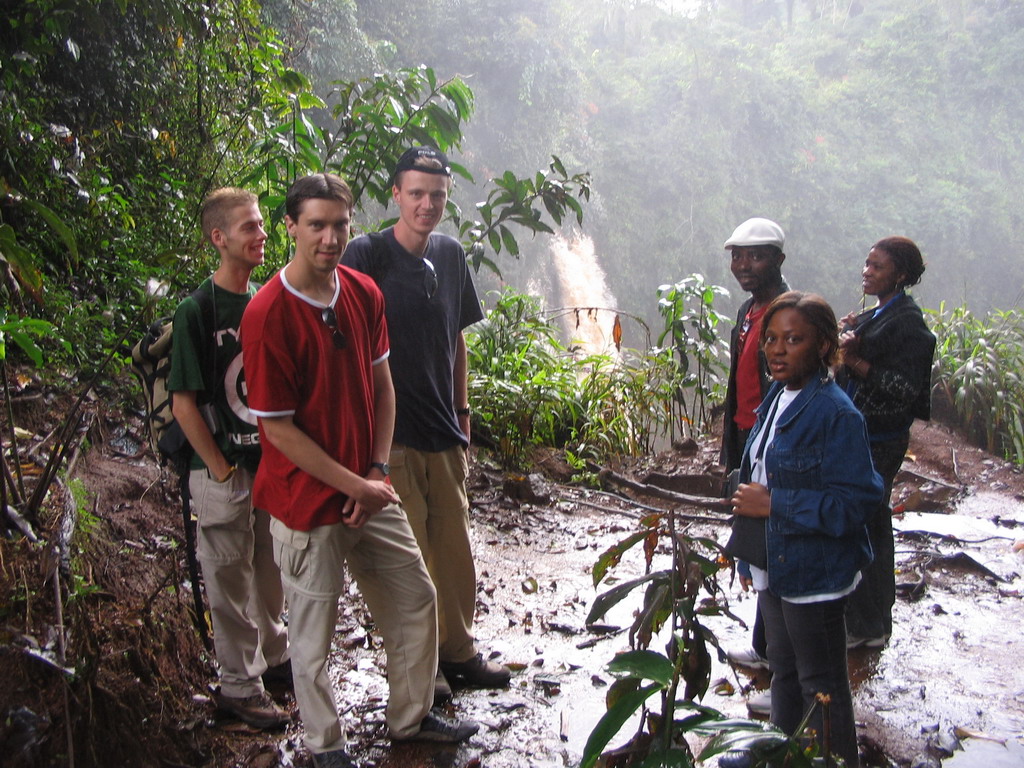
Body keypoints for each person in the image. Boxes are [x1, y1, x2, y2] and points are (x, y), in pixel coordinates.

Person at [240, 173, 478, 768]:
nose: (329, 238)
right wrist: (357, 486)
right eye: (316, 225)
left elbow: (382, 384)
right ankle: (324, 745)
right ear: (290, 227)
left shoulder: (363, 293)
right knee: (313, 632)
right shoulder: (269, 313)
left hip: (368, 484)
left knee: (415, 595)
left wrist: (374, 470)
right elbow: (279, 428)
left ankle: (412, 715)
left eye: (340, 225)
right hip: (305, 500)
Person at [342, 146, 510, 699]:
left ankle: (457, 652)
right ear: (396, 193)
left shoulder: (451, 254)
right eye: (416, 193)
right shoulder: (366, 255)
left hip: (443, 431)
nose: (427, 204)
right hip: (391, 439)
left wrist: (463, 416)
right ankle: (421, 670)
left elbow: (456, 340)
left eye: (437, 195)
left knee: (454, 553)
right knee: (407, 563)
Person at [727, 291, 881, 768]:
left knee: (824, 682)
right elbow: (758, 471)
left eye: (793, 339)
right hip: (776, 562)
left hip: (813, 572)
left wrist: (774, 504)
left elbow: (855, 502)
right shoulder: (778, 395)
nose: (777, 349)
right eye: (771, 339)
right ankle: (783, 754)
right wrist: (747, 555)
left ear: (822, 346)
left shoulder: (836, 413)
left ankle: (834, 761)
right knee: (784, 669)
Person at [168, 187, 290, 729]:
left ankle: (274, 658)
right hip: (220, 469)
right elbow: (183, 403)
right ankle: (239, 686)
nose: (261, 234)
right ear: (219, 239)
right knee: (227, 579)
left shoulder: (264, 301)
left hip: (267, 464)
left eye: (261, 224)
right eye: (249, 227)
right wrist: (218, 467)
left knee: (268, 572)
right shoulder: (197, 310)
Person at [836, 237, 936, 648]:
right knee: (867, 524)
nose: (867, 271)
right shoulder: (879, 314)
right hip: (865, 437)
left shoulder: (908, 324)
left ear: (899, 274)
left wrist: (855, 360)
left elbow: (905, 389)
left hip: (880, 440)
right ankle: (865, 621)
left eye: (877, 267)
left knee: (867, 528)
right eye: (866, 263)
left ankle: (868, 625)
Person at [719, 217, 789, 713]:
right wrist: (731, 446)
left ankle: (785, 674)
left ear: (778, 261)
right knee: (755, 542)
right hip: (747, 433)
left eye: (756, 256)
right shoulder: (747, 311)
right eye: (738, 257)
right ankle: (766, 649)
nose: (744, 266)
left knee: (774, 544)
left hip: (773, 439)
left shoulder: (788, 313)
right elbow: (736, 383)